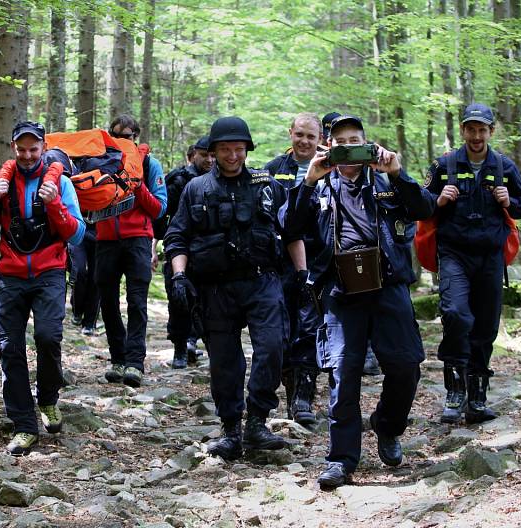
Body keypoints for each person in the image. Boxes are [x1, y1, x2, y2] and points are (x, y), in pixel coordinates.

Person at [282, 114, 435, 488]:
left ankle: (387, 426)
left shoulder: (385, 182)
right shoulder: (318, 186)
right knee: (342, 373)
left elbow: (425, 209)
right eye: (341, 141)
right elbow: (289, 227)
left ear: (367, 144)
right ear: (330, 146)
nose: (349, 147)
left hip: (389, 285)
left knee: (405, 365)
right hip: (339, 291)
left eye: (356, 140)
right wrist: (308, 181)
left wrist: (398, 172)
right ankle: (341, 458)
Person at [164, 116, 289, 460]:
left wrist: (305, 275)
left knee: (273, 346)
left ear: (247, 150)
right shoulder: (196, 189)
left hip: (262, 280)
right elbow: (177, 237)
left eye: (238, 149)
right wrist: (179, 276)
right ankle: (231, 428)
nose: (233, 156)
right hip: (215, 288)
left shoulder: (268, 186)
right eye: (225, 149)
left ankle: (258, 422)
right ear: (213, 152)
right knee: (224, 361)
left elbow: (293, 229)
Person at [0, 120, 86, 456]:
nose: (26, 155)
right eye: (21, 149)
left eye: (33, 149)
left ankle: (48, 399)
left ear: (43, 147)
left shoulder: (61, 183)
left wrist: (54, 204)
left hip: (50, 272)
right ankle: (24, 425)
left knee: (48, 337)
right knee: (10, 347)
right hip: (10, 275)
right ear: (13, 148)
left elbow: (78, 234)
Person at [425, 103, 521, 425]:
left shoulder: (503, 165)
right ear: (463, 131)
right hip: (454, 254)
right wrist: (438, 199)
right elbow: (418, 204)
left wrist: (508, 201)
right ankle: (454, 390)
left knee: (485, 327)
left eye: (482, 129)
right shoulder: (444, 164)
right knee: (457, 314)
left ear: (491, 132)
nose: (476, 135)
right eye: (471, 129)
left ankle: (477, 396)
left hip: (490, 257)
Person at [95, 115, 167, 388]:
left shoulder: (150, 164)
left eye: (127, 136)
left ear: (136, 136)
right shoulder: (100, 162)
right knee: (109, 303)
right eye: (116, 135)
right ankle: (118, 358)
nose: (122, 141)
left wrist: (137, 187)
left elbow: (159, 208)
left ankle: (135, 363)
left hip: (137, 239)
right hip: (105, 240)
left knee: (137, 303)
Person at [264, 113, 324, 424]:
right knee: (283, 328)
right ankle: (289, 389)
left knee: (311, 328)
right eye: (299, 134)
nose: (304, 141)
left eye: (310, 137)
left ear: (320, 139)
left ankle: (304, 397)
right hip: (280, 262)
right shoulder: (273, 169)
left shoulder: (332, 168)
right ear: (290, 133)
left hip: (319, 258)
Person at [153, 136, 215, 368]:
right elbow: (161, 216)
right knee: (178, 300)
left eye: (212, 155)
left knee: (208, 302)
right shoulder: (177, 181)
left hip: (208, 253)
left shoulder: (220, 180)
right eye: (204, 155)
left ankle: (195, 343)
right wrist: (156, 245)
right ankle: (180, 348)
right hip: (178, 250)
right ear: (193, 155)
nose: (209, 160)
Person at [68, 223, 99, 336]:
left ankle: (89, 322)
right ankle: (77, 311)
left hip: (101, 233)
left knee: (96, 278)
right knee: (78, 272)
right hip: (78, 229)